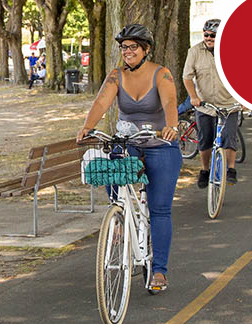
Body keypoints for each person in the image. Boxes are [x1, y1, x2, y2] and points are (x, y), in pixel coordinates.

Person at [76, 24, 180, 294]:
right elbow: (101, 102)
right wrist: (88, 126)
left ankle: (159, 270)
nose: (128, 51)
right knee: (112, 165)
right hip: (130, 142)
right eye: (124, 47)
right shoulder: (116, 76)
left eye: (133, 47)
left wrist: (171, 126)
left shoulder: (161, 74)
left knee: (159, 209)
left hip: (160, 143)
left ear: (146, 50)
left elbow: (170, 102)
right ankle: (119, 213)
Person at [183, 18, 241, 187]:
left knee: (229, 138)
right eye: (206, 34)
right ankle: (205, 170)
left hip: (228, 103)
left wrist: (243, 100)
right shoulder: (194, 52)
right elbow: (187, 77)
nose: (208, 38)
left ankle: (231, 169)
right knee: (205, 140)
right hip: (205, 105)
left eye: (213, 35)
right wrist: (193, 97)